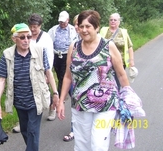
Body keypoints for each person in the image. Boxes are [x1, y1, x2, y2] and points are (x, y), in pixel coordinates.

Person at [56, 10, 131, 151]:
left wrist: (128, 98)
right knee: (82, 144)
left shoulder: (108, 46)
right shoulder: (74, 47)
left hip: (106, 105)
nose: (84, 30)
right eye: (81, 26)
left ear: (97, 27)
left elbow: (121, 75)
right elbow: (67, 76)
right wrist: (61, 101)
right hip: (80, 105)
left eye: (88, 26)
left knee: (98, 145)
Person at [0, 23, 59, 151]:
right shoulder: (7, 55)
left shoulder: (40, 51)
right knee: (25, 130)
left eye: (29, 37)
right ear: (14, 39)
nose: (26, 40)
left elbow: (48, 73)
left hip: (36, 100)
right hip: (19, 101)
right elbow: (2, 80)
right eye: (22, 37)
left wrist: (55, 93)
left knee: (33, 131)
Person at [12, 14, 55, 133]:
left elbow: (50, 56)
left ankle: (51, 108)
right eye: (31, 26)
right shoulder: (26, 35)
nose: (33, 29)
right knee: (24, 97)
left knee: (43, 92)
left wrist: (47, 73)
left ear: (40, 26)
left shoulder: (46, 38)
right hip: (27, 72)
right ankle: (23, 124)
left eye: (35, 26)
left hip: (41, 71)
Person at [99, 13, 135, 88]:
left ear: (119, 22)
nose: (113, 21)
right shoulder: (103, 30)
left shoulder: (123, 32)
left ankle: (117, 96)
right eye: (111, 20)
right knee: (105, 81)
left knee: (117, 81)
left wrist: (131, 60)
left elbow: (129, 47)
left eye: (115, 20)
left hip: (120, 62)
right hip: (105, 62)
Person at [48, 11, 77, 98]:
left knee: (62, 76)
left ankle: (60, 97)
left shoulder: (72, 30)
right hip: (56, 55)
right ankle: (65, 92)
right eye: (60, 22)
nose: (62, 23)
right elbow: (48, 42)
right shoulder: (53, 30)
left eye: (63, 22)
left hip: (67, 55)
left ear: (68, 20)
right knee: (58, 74)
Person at [63, 14, 80, 142]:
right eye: (75, 23)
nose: (76, 26)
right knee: (74, 105)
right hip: (74, 80)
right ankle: (74, 130)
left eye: (78, 23)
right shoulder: (73, 42)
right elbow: (68, 68)